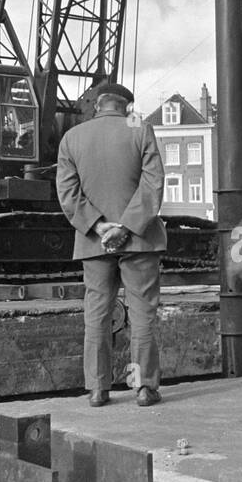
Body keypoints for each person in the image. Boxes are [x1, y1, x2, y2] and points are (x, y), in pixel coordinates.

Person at [56, 82, 166, 407]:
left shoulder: (73, 138)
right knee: (142, 313)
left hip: (93, 242)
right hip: (140, 241)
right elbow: (153, 183)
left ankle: (97, 389)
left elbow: (68, 193)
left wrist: (100, 226)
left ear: (98, 105)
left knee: (97, 314)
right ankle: (144, 388)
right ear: (126, 107)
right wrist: (127, 226)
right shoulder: (140, 130)